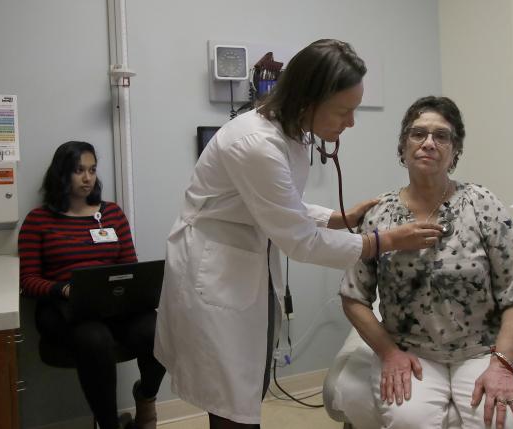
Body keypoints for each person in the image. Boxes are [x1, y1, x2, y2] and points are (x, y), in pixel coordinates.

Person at [154, 39, 445, 429]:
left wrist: (340, 218)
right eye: (344, 111)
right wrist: (385, 241)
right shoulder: (257, 143)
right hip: (216, 266)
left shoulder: (293, 132)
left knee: (245, 380)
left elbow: (279, 204)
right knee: (229, 395)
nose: (351, 123)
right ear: (308, 99)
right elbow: (297, 238)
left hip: (246, 257)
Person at [340, 96, 513, 429]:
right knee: (408, 420)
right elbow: (353, 296)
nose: (428, 143)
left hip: (484, 348)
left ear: (455, 149)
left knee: (501, 421)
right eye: (418, 134)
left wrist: (503, 364)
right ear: (403, 146)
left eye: (441, 136)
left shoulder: (482, 204)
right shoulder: (380, 214)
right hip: (410, 351)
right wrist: (389, 353)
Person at [18, 141, 165, 429]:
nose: (88, 178)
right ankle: (110, 424)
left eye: (92, 170)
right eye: (79, 170)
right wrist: (62, 289)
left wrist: (138, 291)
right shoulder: (39, 220)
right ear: (62, 174)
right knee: (94, 340)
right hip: (64, 308)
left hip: (114, 304)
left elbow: (129, 267)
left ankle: (146, 396)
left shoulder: (111, 214)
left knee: (159, 330)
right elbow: (27, 281)